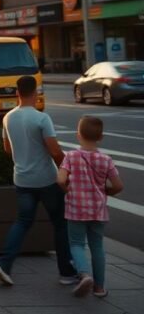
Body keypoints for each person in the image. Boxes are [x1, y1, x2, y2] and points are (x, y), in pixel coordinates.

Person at [0, 75, 78, 287]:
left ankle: (4, 263)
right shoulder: (41, 118)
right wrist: (68, 171)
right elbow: (55, 151)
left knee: (22, 222)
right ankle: (66, 273)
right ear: (36, 92)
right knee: (60, 224)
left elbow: (7, 149)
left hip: (22, 179)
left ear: (17, 93)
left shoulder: (8, 117)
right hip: (46, 180)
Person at [57, 116, 123, 298]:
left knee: (76, 243)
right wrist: (105, 192)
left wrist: (68, 190)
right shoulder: (106, 160)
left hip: (76, 209)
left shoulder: (71, 157)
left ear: (78, 135)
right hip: (98, 210)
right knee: (97, 247)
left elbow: (60, 179)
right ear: (100, 137)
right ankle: (99, 288)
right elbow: (118, 186)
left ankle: (84, 274)